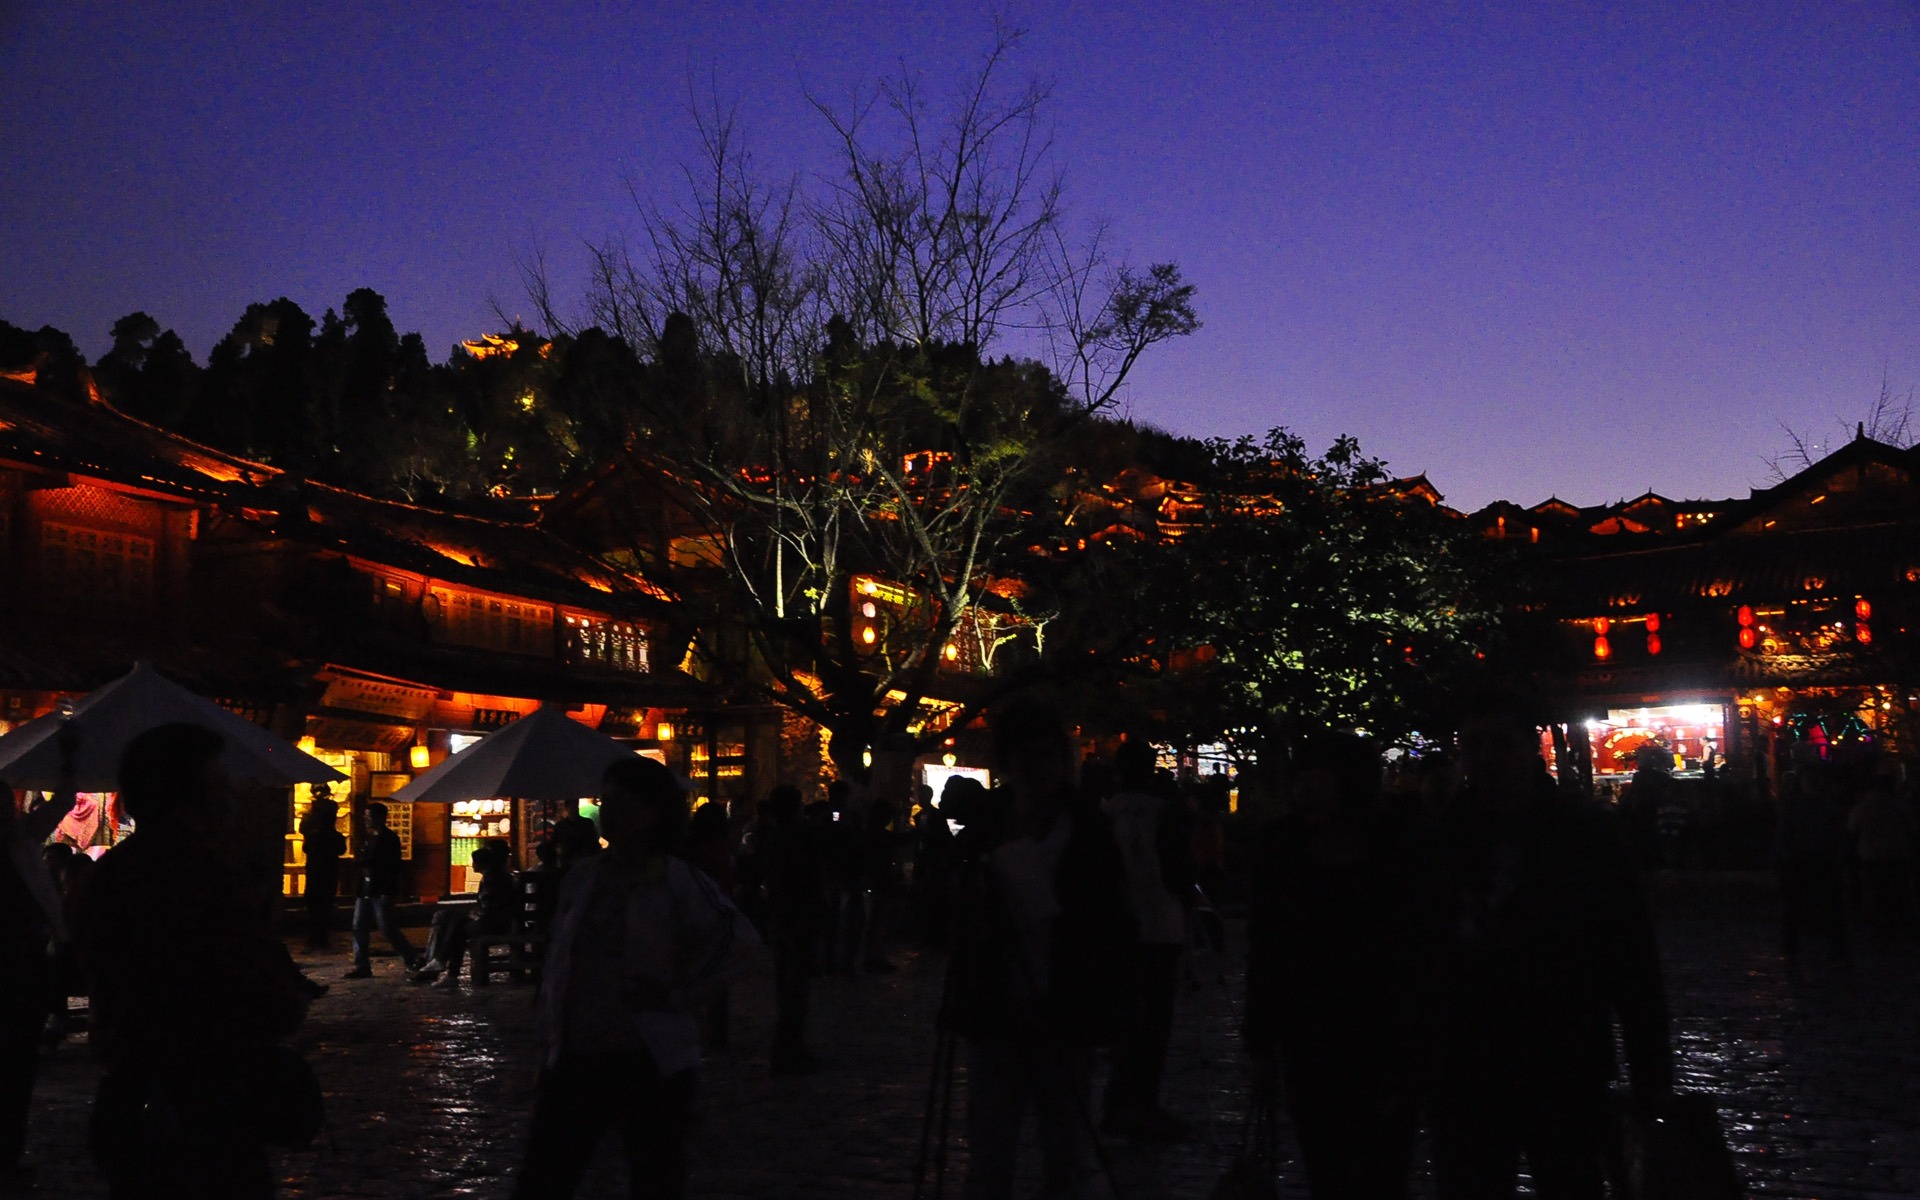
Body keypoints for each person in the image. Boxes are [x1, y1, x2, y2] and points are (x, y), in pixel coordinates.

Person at [1427, 690, 1673, 1200]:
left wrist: (1650, 1067)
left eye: (1501, 742)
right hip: (1464, 1060)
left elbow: (1630, 953)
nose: (1487, 757)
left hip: (1563, 1053)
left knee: (1569, 1181)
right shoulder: (1436, 839)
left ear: (1531, 747)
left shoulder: (1585, 834)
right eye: (1473, 745)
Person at [79, 725, 310, 1200]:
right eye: (218, 779)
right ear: (190, 795)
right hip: (211, 1099)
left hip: (134, 1094)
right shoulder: (214, 876)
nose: (230, 791)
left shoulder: (109, 876)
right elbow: (263, 992)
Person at [511, 757, 756, 1200]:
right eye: (607, 801)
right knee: (545, 1178)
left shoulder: (678, 880)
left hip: (647, 1054)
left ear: (653, 812)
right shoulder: (583, 878)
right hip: (578, 1052)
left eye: (622, 802)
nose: (609, 812)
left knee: (654, 1176)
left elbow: (736, 940)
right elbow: (561, 962)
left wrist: (681, 994)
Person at [943, 701, 1135, 1200]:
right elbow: (949, 918)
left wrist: (1110, 1005)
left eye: (1050, 756)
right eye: (1027, 757)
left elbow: (1114, 922)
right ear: (1009, 763)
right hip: (996, 1007)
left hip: (1066, 1007)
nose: (1040, 769)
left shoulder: (1090, 832)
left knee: (1067, 1151)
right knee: (989, 1153)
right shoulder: (985, 829)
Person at [1244, 733, 1426, 1199]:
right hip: (1310, 1034)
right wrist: (1261, 1040)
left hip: (1383, 1035)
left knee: (1383, 1166)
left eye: (1318, 780)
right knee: (1324, 1162)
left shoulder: (1398, 848)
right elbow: (1266, 948)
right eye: (1301, 780)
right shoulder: (1282, 849)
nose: (1306, 792)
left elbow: (1414, 951)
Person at [1099, 739, 1195, 1142]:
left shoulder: (1103, 813)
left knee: (1126, 1021)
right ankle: (1139, 1105)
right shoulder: (1165, 813)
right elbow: (1178, 874)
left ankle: (1119, 1103)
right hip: (1161, 926)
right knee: (1154, 1024)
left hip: (1120, 929)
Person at [2, 780, 75, 1194]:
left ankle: (8, 1152)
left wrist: (65, 760)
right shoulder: (22, 840)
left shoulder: (23, 839)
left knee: (17, 1065)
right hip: (18, 963)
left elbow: (63, 801)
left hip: (22, 964)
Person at [760, 785, 825, 1075]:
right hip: (798, 915)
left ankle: (786, 1047)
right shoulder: (799, 837)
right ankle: (789, 1049)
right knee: (795, 986)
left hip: (781, 914)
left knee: (786, 984)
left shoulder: (771, 836)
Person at [413, 840, 515, 986]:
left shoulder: (494, 877)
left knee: (457, 926)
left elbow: (488, 908)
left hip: (493, 922)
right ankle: (442, 967)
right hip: (496, 920)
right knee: (452, 921)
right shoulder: (499, 874)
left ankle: (443, 966)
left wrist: (472, 915)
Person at [345, 802, 419, 979]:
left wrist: (389, 890)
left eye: (369, 816)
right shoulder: (369, 838)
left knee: (387, 927)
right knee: (359, 926)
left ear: (379, 818)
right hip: (366, 888)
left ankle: (410, 957)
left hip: (381, 888)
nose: (365, 819)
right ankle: (362, 965)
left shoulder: (389, 839)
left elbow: (391, 867)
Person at [299, 787, 346, 950]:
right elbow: (341, 849)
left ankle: (315, 935)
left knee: (314, 902)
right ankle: (321, 935)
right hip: (328, 869)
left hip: (316, 868)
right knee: (325, 902)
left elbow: (306, 846)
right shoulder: (332, 835)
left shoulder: (313, 831)